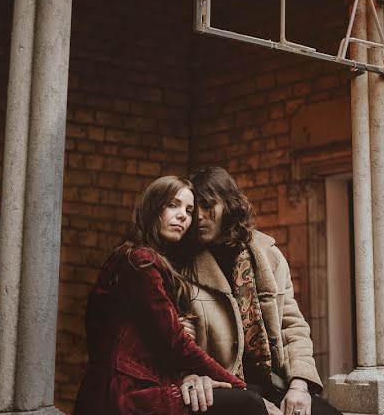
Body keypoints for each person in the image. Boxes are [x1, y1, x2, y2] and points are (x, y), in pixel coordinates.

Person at [74, 176, 271, 415]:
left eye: (189, 210)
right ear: (152, 207)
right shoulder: (140, 261)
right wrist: (238, 386)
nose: (183, 216)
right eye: (173, 205)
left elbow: (159, 334)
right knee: (249, 403)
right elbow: (176, 342)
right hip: (125, 392)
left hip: (142, 382)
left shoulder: (144, 259)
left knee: (253, 395)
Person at [186, 166, 342, 415]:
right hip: (221, 386)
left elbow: (293, 327)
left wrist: (299, 386)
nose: (200, 216)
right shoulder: (185, 266)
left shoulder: (269, 257)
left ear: (228, 203)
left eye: (207, 205)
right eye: (194, 209)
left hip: (271, 381)